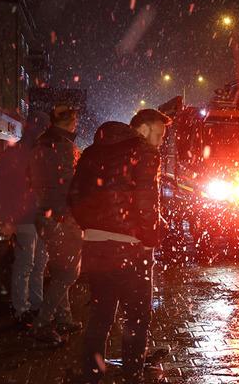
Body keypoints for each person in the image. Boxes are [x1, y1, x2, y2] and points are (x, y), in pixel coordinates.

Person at [68, 109, 171, 384]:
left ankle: (92, 375)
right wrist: (150, 237)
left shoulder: (92, 152)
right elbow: (147, 203)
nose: (160, 141)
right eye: (159, 134)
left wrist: (93, 228)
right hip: (132, 250)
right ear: (144, 128)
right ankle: (132, 375)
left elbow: (74, 196)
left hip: (95, 247)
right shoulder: (145, 152)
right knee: (137, 319)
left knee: (100, 316)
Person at [30, 104, 83, 345]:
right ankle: (42, 324)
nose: (76, 125)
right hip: (61, 217)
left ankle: (64, 317)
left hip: (45, 215)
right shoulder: (62, 146)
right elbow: (69, 185)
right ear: (70, 122)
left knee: (61, 269)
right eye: (75, 121)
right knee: (69, 272)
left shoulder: (42, 143)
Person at [0, 111, 48, 327]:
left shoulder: (25, 152)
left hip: (33, 217)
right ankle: (25, 308)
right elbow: (4, 188)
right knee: (30, 264)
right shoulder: (30, 153)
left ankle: (30, 306)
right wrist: (8, 217)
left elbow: (3, 187)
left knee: (34, 263)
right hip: (28, 217)